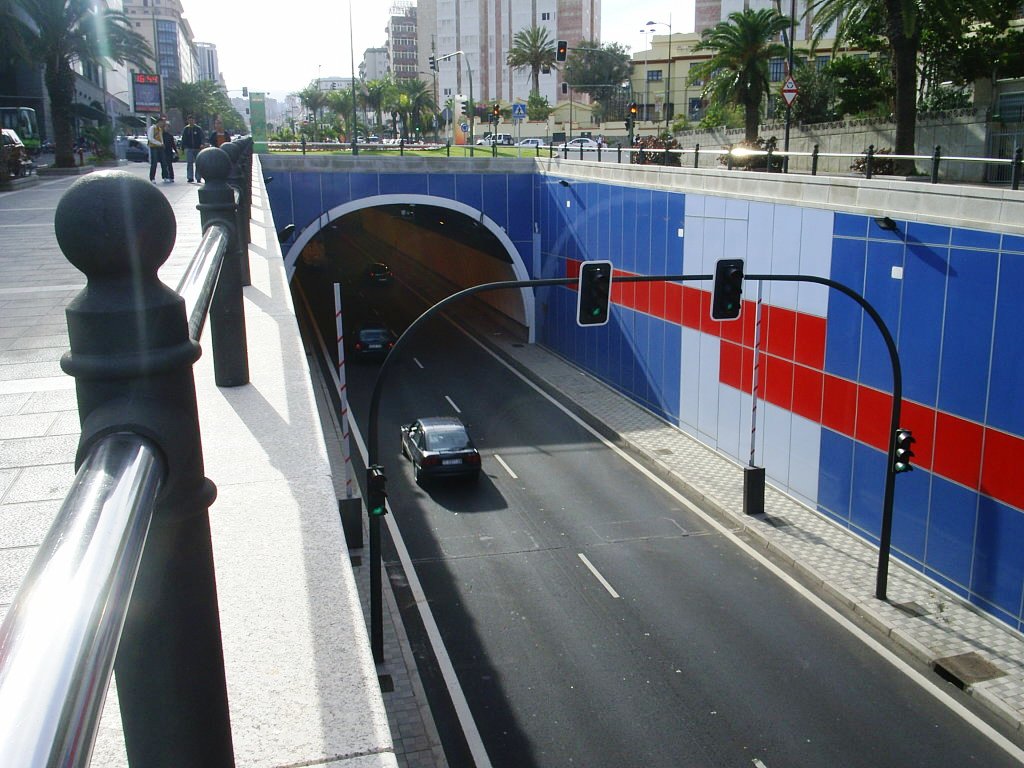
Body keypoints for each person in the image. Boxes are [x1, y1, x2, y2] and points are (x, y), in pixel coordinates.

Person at [181, 114, 205, 183]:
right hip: (189, 149)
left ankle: (198, 177)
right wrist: (183, 148)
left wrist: (202, 144)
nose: (191, 121)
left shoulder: (198, 128)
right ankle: (190, 177)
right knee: (189, 163)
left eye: (192, 120)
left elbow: (202, 137)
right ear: (188, 121)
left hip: (197, 148)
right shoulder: (186, 129)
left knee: (198, 163)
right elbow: (183, 139)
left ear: (194, 120)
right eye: (189, 120)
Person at [146, 116, 169, 183]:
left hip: (160, 147)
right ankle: (152, 178)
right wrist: (159, 143)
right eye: (162, 122)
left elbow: (161, 137)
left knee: (164, 162)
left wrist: (162, 143)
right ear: (159, 122)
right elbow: (150, 138)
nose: (163, 124)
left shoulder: (160, 129)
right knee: (154, 163)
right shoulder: (152, 128)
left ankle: (165, 176)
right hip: (154, 147)